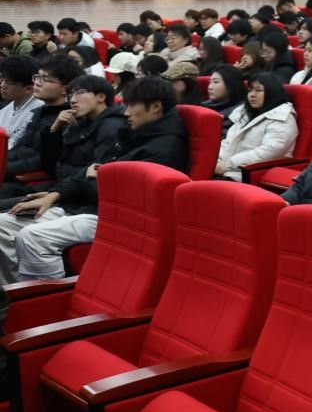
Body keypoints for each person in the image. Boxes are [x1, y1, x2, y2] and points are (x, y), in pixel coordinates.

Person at [0, 77, 189, 281]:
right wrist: (56, 194)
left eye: (131, 106)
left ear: (156, 107)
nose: (126, 113)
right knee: (2, 223)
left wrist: (91, 179)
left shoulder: (164, 149)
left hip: (110, 215)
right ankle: (12, 290)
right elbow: (86, 171)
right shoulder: (134, 134)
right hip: (81, 204)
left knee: (33, 237)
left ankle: (35, 295)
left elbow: (126, 199)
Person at [5, 55, 78, 182]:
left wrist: (4, 169)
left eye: (45, 79)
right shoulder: (39, 111)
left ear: (66, 89)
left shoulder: (67, 119)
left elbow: (43, 161)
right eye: (37, 77)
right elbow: (19, 148)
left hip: (31, 182)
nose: (37, 83)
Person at [216, 74, 299, 182]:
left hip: (249, 174)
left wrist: (228, 165)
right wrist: (216, 161)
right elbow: (228, 142)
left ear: (272, 92)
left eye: (258, 90)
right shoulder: (246, 114)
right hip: (227, 169)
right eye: (250, 90)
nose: (252, 95)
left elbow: (269, 151)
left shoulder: (283, 117)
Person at [0, 57, 42, 150]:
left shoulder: (38, 110)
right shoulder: (6, 109)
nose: (2, 85)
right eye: (2, 79)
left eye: (9, 83)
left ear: (29, 88)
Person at [201, 64, 247, 137]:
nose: (210, 87)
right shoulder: (204, 106)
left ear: (231, 84)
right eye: (210, 82)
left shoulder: (239, 114)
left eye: (216, 82)